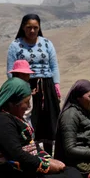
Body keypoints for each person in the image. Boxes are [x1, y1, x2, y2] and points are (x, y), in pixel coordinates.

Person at [6, 14, 60, 154]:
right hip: (26, 83)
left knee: (49, 119)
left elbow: (54, 66)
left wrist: (56, 85)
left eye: (35, 27)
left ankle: (49, 153)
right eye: (29, 27)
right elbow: (10, 69)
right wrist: (16, 88)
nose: (32, 31)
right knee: (30, 118)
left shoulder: (47, 43)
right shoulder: (15, 45)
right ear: (23, 27)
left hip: (47, 85)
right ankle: (33, 151)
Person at [54, 80, 90, 173]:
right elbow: (70, 149)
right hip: (77, 164)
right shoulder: (70, 116)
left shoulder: (85, 110)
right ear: (78, 98)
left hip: (89, 153)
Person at [9, 59, 35, 125]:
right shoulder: (13, 88)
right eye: (24, 74)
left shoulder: (26, 85)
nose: (28, 76)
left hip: (27, 119)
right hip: (19, 119)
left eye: (27, 74)